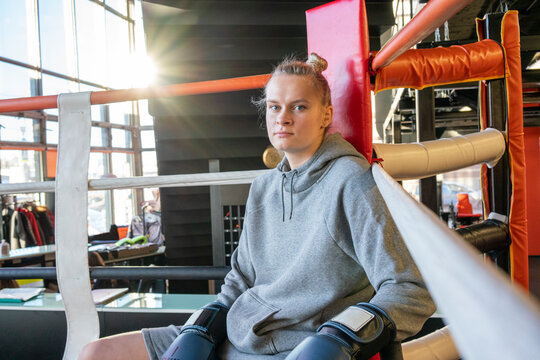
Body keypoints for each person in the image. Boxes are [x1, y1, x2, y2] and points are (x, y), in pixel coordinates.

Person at [79, 54, 435, 360]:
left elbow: (409, 288)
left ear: (326, 115)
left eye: (299, 106)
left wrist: (340, 337)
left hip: (297, 345)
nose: (283, 118)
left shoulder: (352, 180)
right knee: (95, 353)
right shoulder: (264, 186)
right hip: (239, 332)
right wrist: (203, 326)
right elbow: (242, 277)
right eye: (274, 107)